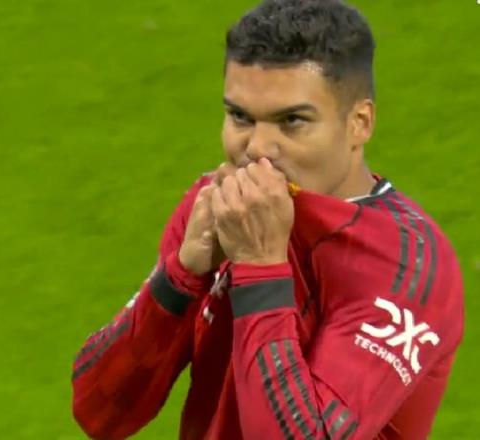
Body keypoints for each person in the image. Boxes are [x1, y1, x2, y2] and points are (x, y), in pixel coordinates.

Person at [71, 0, 464, 438]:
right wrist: (180, 277)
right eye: (240, 117)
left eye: (292, 121)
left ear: (359, 123)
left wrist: (260, 268)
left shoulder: (407, 268)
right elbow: (100, 411)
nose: (257, 148)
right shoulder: (218, 207)